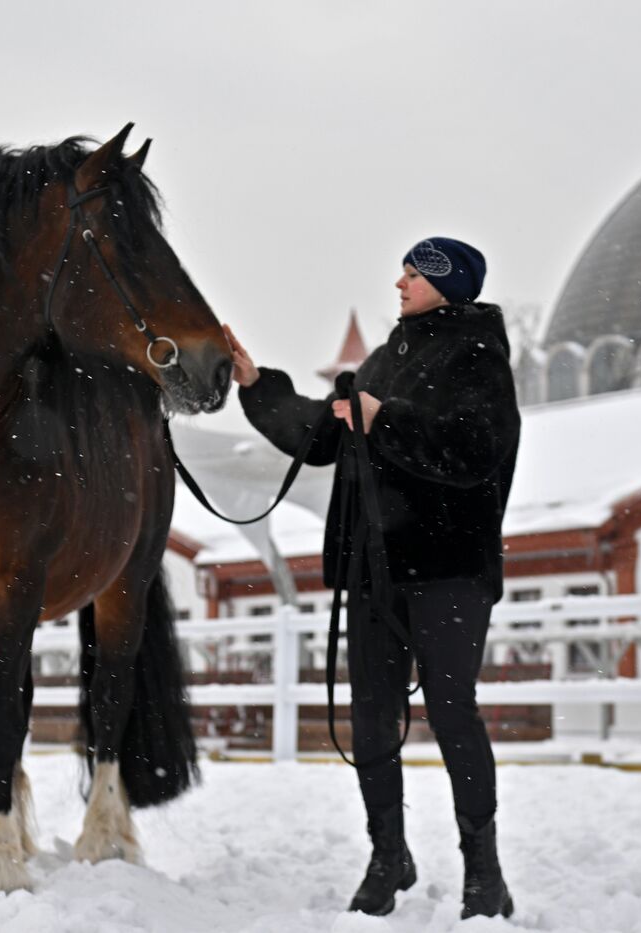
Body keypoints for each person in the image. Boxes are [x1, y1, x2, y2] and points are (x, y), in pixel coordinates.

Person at [223, 237, 520, 920]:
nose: (400, 281)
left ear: (451, 284)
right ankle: (388, 852)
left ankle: (485, 868)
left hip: (448, 569)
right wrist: (256, 384)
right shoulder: (386, 358)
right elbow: (322, 438)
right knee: (369, 716)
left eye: (415, 273)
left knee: (452, 713)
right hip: (372, 571)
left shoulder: (478, 357)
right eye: (404, 270)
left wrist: (386, 418)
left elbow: (474, 450)